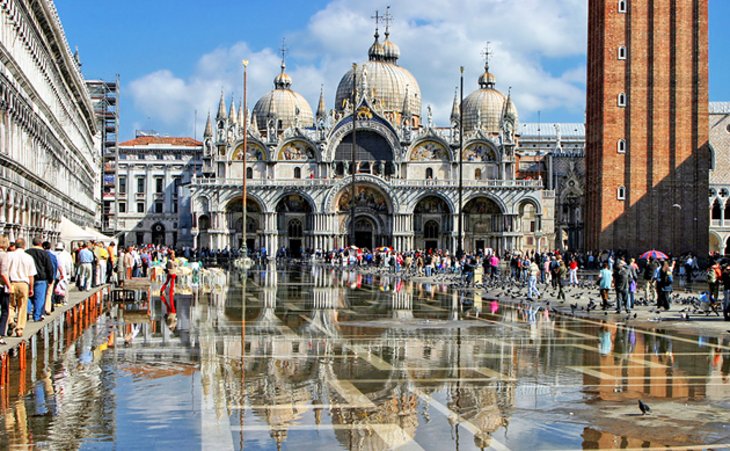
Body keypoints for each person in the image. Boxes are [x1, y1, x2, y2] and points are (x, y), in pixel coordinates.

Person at [6, 238, 37, 337]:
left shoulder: (9, 256)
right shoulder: (28, 257)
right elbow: (31, 275)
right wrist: (31, 288)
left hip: (11, 282)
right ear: (24, 246)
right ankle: (19, 329)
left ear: (15, 245)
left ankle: (11, 321)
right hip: (24, 283)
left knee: (10, 305)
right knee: (22, 306)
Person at [25, 237, 53, 322]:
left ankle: (26, 312)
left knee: (28, 297)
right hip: (41, 278)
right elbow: (49, 267)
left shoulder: (27, 252)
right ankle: (36, 316)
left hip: (28, 278)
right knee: (39, 298)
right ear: (41, 244)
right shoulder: (44, 254)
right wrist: (50, 279)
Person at [41, 241, 58, 315]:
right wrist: (54, 277)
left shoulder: (42, 255)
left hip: (43, 277)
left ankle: (41, 309)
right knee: (49, 294)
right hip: (51, 277)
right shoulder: (53, 256)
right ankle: (47, 309)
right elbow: (55, 266)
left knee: (42, 294)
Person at [0, 235, 11, 344]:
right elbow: (3, 272)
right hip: (1, 286)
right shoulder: (3, 255)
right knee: (4, 310)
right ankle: (0, 334)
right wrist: (9, 285)